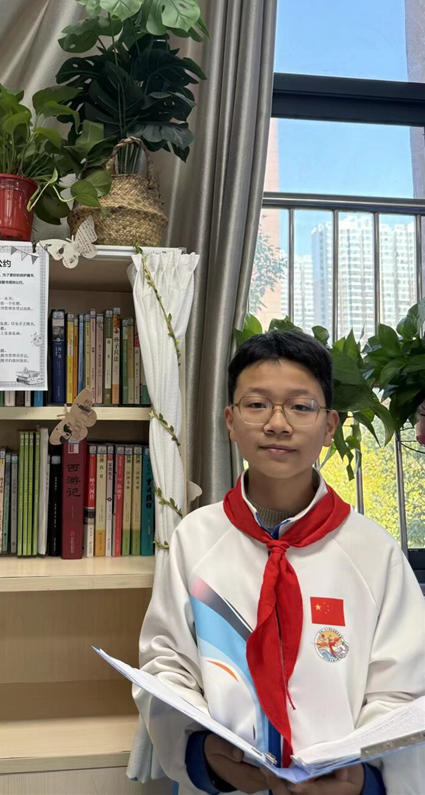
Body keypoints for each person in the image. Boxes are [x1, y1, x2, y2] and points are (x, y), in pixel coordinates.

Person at [133, 331, 425, 795]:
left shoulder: (375, 552)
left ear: (329, 426)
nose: (277, 424)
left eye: (301, 407)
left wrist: (364, 781)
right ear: (230, 421)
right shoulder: (196, 539)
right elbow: (166, 666)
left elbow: (404, 692)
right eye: (257, 405)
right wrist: (205, 756)